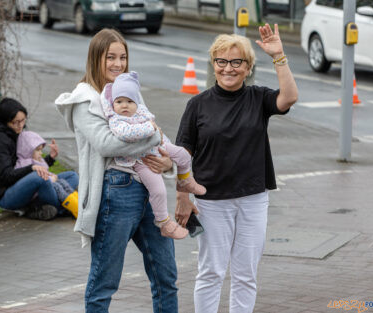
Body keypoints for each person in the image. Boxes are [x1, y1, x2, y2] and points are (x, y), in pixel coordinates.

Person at [175, 24, 298, 313]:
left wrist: (279, 56)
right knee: (211, 271)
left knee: (246, 274)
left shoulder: (258, 99)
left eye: (236, 62)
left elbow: (289, 98)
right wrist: (182, 197)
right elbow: (182, 156)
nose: (228, 68)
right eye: (221, 61)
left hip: (252, 199)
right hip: (210, 201)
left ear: (248, 67)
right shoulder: (197, 105)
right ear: (213, 64)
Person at [55, 28, 179, 313]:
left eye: (122, 57)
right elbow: (108, 144)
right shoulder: (84, 100)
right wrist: (155, 137)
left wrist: (168, 162)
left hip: (149, 190)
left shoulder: (127, 91)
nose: (117, 64)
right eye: (110, 57)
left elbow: (153, 133)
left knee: (166, 277)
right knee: (104, 282)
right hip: (115, 193)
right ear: (95, 58)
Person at [101, 70, 206, 239]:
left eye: (129, 101)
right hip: (141, 160)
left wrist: (167, 149)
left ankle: (186, 181)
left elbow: (159, 132)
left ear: (137, 102)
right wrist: (151, 128)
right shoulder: (117, 120)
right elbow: (127, 134)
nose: (124, 105)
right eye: (119, 101)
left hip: (158, 148)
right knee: (159, 190)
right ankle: (164, 222)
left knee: (184, 156)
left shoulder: (141, 112)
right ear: (113, 104)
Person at [0, 97, 79, 220]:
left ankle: (36, 206)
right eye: (15, 122)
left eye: (22, 121)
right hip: (4, 195)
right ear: (5, 122)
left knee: (72, 176)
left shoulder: (13, 133)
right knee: (40, 177)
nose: (20, 126)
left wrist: (50, 159)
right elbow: (7, 176)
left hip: (20, 185)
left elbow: (25, 161)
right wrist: (32, 169)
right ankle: (63, 209)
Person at [15, 130, 79, 218]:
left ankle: (72, 202)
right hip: (37, 195)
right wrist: (50, 179)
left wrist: (51, 175)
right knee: (57, 186)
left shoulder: (37, 160)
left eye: (41, 150)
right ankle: (70, 207)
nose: (41, 153)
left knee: (72, 176)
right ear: (27, 151)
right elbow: (36, 179)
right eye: (38, 150)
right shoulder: (24, 165)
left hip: (48, 188)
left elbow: (45, 172)